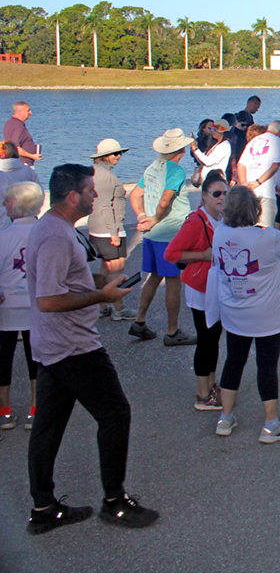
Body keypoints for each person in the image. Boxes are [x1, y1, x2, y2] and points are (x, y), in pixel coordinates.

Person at [25, 163, 155, 534]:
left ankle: (43, 507)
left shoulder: (57, 228)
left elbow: (66, 279)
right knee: (116, 414)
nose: (95, 195)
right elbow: (49, 299)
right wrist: (103, 295)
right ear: (71, 197)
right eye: (89, 190)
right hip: (72, 345)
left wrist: (100, 279)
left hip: (55, 344)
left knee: (48, 428)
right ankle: (114, 502)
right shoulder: (54, 236)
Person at [208, 184, 280, 443]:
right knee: (267, 365)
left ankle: (225, 417)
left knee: (234, 360)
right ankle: (271, 424)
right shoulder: (267, 237)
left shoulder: (220, 233)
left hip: (234, 309)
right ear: (255, 210)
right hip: (265, 313)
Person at [164, 171, 226, 411]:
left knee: (214, 338)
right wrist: (203, 255)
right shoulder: (196, 221)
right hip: (201, 288)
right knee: (206, 339)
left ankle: (211, 386)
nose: (222, 198)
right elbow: (171, 254)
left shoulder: (221, 218)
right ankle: (203, 394)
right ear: (204, 196)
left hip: (216, 286)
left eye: (225, 194)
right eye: (217, 194)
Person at [128, 129, 194, 344]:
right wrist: (155, 217)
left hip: (152, 234)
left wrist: (142, 216)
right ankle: (172, 331)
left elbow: (135, 193)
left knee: (154, 275)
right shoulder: (176, 170)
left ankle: (140, 320)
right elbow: (165, 201)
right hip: (170, 232)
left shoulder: (152, 167)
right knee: (173, 281)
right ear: (180, 149)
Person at [0, 181, 42, 432]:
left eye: (7, 200)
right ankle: (36, 409)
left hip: (7, 308)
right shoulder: (42, 232)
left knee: (3, 358)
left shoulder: (4, 236)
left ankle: (4, 411)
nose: (4, 203)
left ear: (16, 205)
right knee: (35, 358)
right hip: (36, 305)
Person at [84, 139, 130, 322]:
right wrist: (114, 232)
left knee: (106, 267)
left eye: (120, 153)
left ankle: (102, 306)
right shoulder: (104, 175)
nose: (118, 156)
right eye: (115, 153)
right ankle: (118, 308)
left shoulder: (98, 172)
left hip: (100, 226)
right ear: (104, 156)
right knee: (117, 267)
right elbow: (104, 204)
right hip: (108, 227)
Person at [238, 120, 280, 227]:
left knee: (248, 226)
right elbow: (275, 165)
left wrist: (244, 183)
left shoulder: (253, 141)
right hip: (265, 191)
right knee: (266, 227)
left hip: (248, 191)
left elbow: (241, 165)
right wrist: (258, 182)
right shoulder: (278, 141)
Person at [191, 118, 232, 185]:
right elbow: (202, 160)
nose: (212, 131)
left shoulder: (224, 145)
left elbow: (208, 162)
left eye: (214, 130)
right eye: (212, 129)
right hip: (210, 181)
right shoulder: (217, 144)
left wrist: (196, 149)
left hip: (216, 181)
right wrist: (194, 148)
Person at [4, 101, 40, 167]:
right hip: (23, 165)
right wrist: (32, 156)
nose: (30, 112)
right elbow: (15, 147)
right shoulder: (18, 126)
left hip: (16, 164)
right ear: (20, 112)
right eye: (28, 110)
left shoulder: (9, 123)